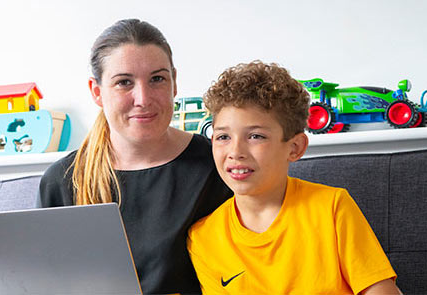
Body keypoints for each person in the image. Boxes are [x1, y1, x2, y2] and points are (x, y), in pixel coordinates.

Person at [36, 19, 231, 294]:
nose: (143, 98)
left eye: (157, 79)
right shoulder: (62, 180)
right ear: (97, 92)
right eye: (124, 82)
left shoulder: (218, 164)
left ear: (174, 83)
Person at [187, 61, 401, 294]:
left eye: (256, 136)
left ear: (295, 147)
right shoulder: (203, 237)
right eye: (223, 137)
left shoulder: (332, 207)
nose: (235, 151)